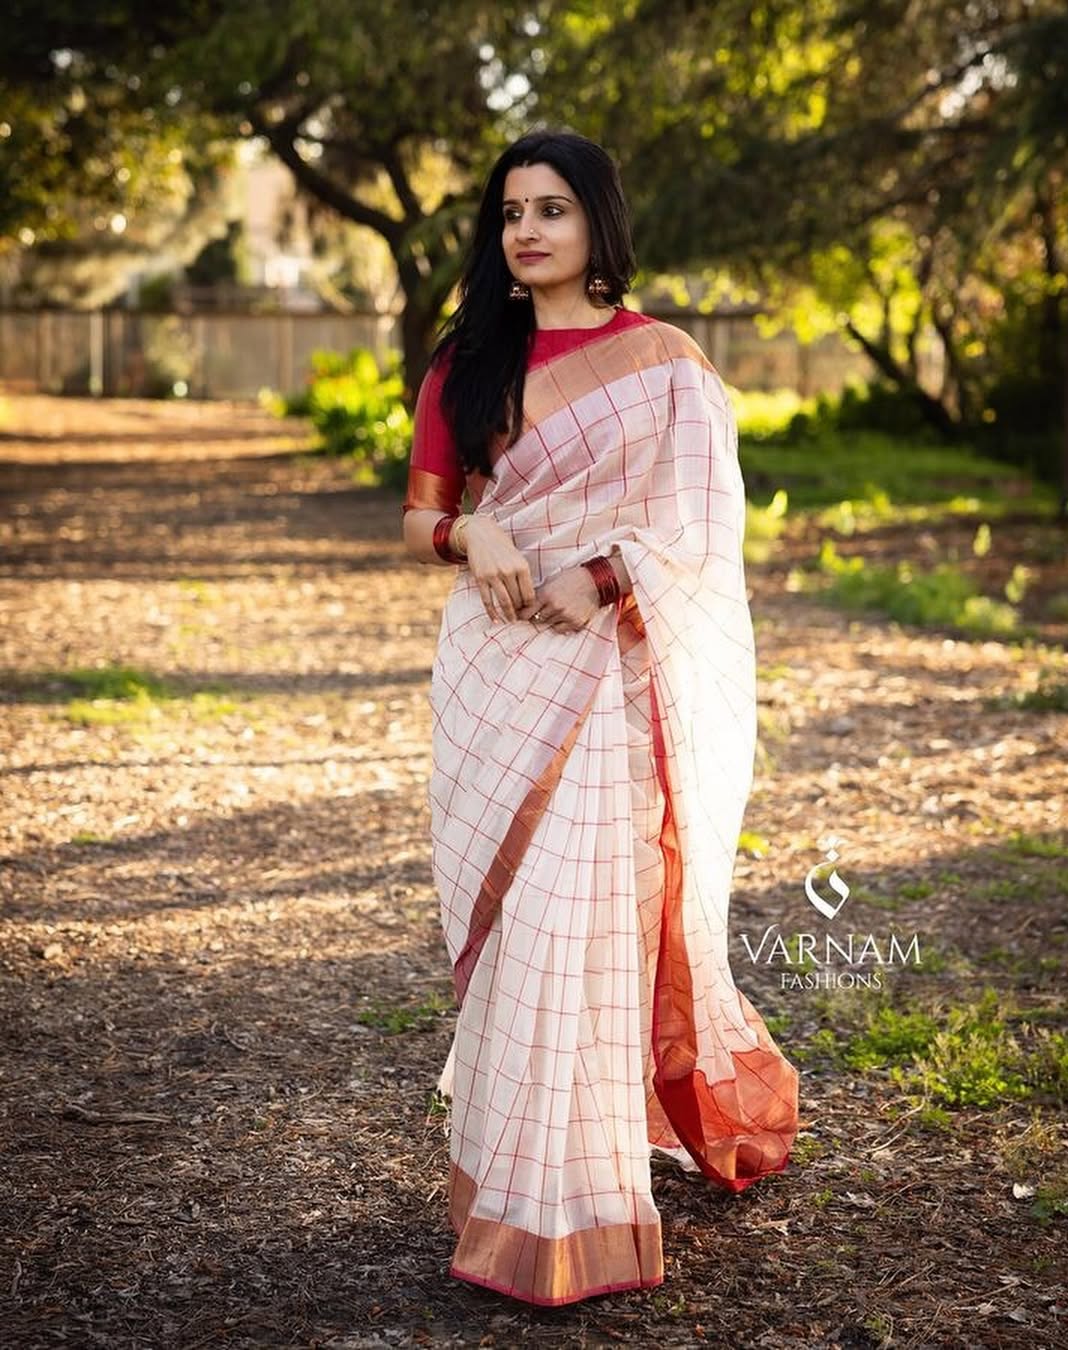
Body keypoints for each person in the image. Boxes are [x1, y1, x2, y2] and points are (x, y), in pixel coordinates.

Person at [401, 127, 799, 1307]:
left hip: (608, 677)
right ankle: (516, 1173)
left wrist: (605, 573)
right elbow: (420, 516)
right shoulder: (467, 361)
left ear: (598, 223)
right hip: (495, 673)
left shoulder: (665, 364)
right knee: (519, 931)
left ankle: (571, 1201)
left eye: (552, 209)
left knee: (582, 921)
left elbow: (701, 527)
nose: (527, 230)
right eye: (511, 212)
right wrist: (471, 531)